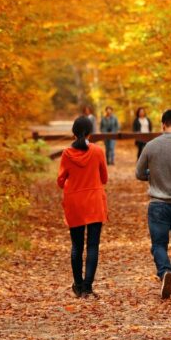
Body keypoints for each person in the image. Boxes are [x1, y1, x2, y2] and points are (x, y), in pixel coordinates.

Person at [136, 109, 171, 299]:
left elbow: (139, 173)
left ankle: (165, 271)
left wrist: (153, 175)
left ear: (163, 124)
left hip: (158, 203)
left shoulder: (151, 146)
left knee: (159, 244)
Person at [57, 116, 108, 298]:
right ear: (90, 133)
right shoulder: (97, 151)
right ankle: (88, 286)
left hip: (75, 203)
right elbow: (104, 178)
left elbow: (60, 180)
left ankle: (78, 286)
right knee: (92, 246)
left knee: (76, 246)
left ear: (73, 133)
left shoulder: (67, 153)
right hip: (94, 201)